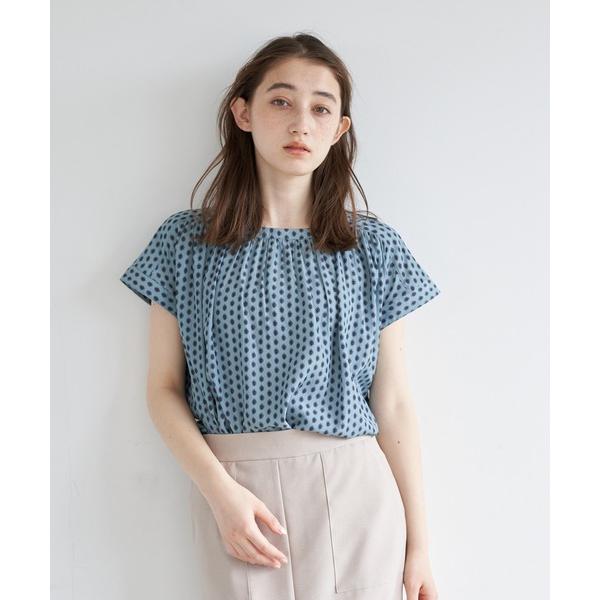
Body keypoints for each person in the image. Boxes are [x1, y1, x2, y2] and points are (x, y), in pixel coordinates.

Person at [120, 32, 441, 600]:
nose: (301, 124)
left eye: (321, 108)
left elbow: (391, 403)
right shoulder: (184, 243)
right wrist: (220, 493)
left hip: (356, 493)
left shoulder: (374, 248)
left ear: (339, 129)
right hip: (235, 494)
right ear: (243, 113)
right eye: (281, 101)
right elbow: (163, 388)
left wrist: (419, 545)